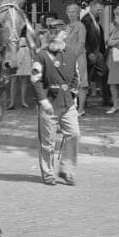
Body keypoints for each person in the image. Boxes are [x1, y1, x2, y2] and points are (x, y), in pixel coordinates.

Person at [30, 27, 81, 185]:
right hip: (49, 102)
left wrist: (73, 94)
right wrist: (42, 100)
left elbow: (76, 76)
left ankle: (67, 170)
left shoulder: (71, 54)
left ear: (63, 38)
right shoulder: (41, 55)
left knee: (74, 134)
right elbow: (35, 79)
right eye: (50, 40)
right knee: (48, 142)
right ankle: (48, 173)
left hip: (67, 102)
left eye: (56, 41)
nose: (52, 44)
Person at [83, 0, 111, 109]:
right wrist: (89, 52)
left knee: (91, 76)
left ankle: (105, 98)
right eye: (98, 9)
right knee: (103, 72)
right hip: (92, 53)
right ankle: (105, 98)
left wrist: (103, 52)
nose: (100, 12)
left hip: (97, 53)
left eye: (101, 10)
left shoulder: (95, 20)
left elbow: (99, 37)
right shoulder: (86, 20)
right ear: (92, 7)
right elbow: (83, 38)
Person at [62, 2, 90, 116]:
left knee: (81, 82)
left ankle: (81, 109)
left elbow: (81, 43)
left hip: (78, 58)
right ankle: (71, 107)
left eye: (74, 12)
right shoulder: (66, 27)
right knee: (69, 82)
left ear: (78, 13)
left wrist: (73, 56)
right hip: (67, 59)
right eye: (69, 12)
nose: (71, 14)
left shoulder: (81, 26)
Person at [6, 29, 33, 108]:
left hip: (26, 54)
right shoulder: (13, 32)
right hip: (16, 53)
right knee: (14, 79)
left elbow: (32, 44)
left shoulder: (28, 32)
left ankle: (23, 102)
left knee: (24, 79)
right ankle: (12, 103)